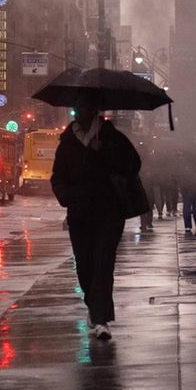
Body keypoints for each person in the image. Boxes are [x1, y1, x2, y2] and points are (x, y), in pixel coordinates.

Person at [50, 94, 141, 341]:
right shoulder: (67, 142)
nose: (79, 111)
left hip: (109, 212)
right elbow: (57, 177)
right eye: (77, 107)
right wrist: (66, 196)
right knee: (85, 265)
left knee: (103, 262)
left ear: (94, 110)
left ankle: (101, 319)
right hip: (79, 213)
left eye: (84, 106)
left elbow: (133, 165)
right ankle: (94, 306)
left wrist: (105, 152)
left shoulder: (111, 137)